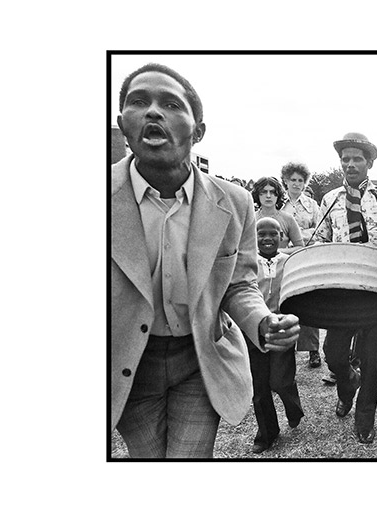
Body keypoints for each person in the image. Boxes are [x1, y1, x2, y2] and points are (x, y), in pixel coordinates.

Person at [111, 63, 299, 458]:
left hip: (199, 360)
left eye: (171, 104)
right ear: (122, 125)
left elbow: (239, 283)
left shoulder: (234, 202)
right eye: (139, 102)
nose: (153, 113)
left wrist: (263, 322)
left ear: (198, 131)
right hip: (126, 364)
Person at [315, 132, 377, 444]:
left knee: (371, 359)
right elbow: (319, 243)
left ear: (370, 162)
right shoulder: (330, 201)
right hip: (342, 293)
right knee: (333, 354)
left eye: (356, 159)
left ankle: (364, 417)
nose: (350, 164)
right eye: (345, 159)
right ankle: (346, 384)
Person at [246, 217, 305, 454]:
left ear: (282, 236)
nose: (267, 238)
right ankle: (267, 433)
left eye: (273, 234)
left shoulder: (289, 261)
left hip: (281, 328)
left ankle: (293, 409)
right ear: (254, 237)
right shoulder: (247, 263)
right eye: (261, 234)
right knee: (259, 387)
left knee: (280, 381)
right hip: (253, 330)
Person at [280, 162, 324, 369]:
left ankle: (313, 350)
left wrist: (296, 238)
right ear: (285, 181)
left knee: (308, 301)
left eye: (301, 180)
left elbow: (320, 232)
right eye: (293, 180)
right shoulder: (279, 204)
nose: (297, 184)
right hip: (282, 260)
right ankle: (283, 348)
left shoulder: (313, 206)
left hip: (306, 258)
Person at [252, 176, 304, 255]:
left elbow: (300, 247)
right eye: (264, 192)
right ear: (257, 194)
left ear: (278, 195)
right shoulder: (250, 219)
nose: (268, 196)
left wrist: (277, 252)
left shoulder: (288, 219)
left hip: (281, 264)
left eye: (272, 192)